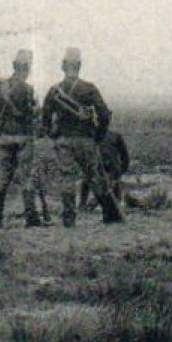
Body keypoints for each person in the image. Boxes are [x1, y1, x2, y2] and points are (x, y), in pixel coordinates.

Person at [41, 47, 123, 226]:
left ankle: (69, 219)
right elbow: (104, 115)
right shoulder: (89, 88)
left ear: (63, 66)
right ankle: (111, 215)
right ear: (80, 66)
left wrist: (53, 134)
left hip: (63, 141)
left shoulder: (54, 91)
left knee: (67, 178)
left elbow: (45, 118)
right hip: (86, 140)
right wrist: (98, 136)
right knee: (95, 176)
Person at [0, 49, 42, 228]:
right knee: (26, 177)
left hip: (4, 137)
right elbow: (28, 116)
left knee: (2, 177)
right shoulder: (27, 89)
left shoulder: (1, 87)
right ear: (27, 68)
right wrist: (36, 111)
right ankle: (31, 218)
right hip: (23, 137)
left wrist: (1, 129)